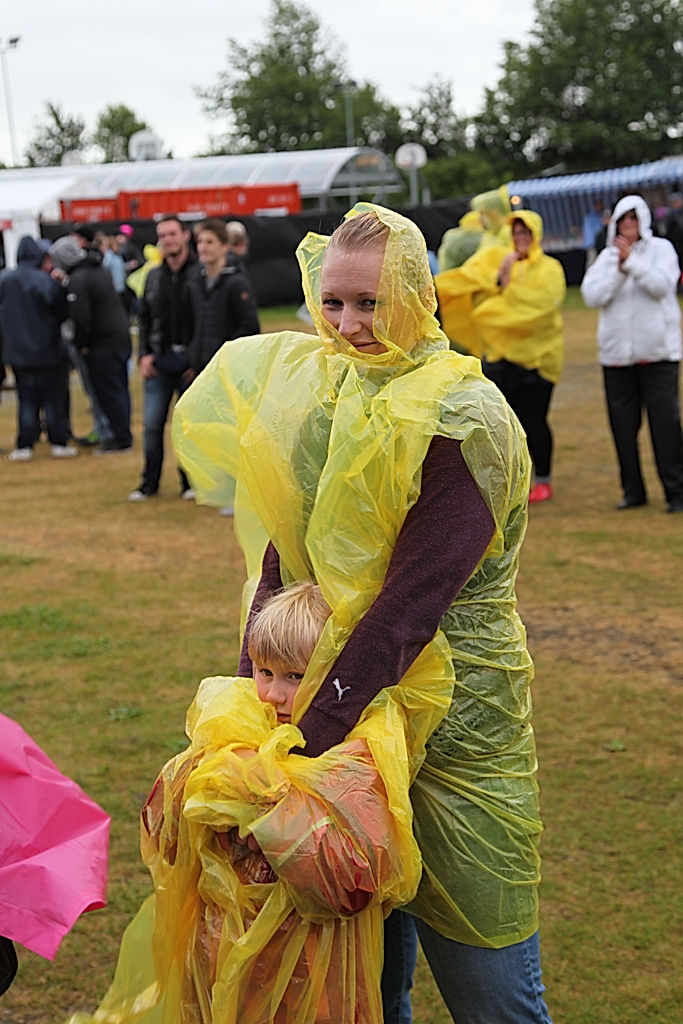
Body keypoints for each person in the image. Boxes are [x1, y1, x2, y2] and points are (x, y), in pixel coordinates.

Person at [173, 203, 553, 1024]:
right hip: (342, 729)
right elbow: (286, 552)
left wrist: (294, 748)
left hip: (453, 734)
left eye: (370, 302)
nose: (347, 325)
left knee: (491, 995)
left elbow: (408, 608)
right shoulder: (328, 396)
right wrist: (256, 708)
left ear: (416, 294)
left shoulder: (466, 417)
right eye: (333, 302)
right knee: (358, 987)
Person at [66, 581, 450, 1023]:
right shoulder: (236, 732)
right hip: (222, 954)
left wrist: (257, 804)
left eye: (295, 676)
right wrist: (210, 792)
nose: (272, 695)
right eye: (264, 672)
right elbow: (163, 832)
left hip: (314, 974)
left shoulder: (357, 761)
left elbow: (349, 883)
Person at [435, 210, 566, 503]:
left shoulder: (550, 268)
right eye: (516, 233)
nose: (521, 239)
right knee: (501, 428)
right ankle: (507, 483)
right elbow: (473, 288)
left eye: (526, 233)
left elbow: (542, 309)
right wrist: (500, 281)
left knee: (534, 422)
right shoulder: (499, 261)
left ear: (536, 235)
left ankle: (542, 479)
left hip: (537, 361)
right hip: (498, 359)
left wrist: (501, 299)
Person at [581, 194, 683, 512]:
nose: (628, 225)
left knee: (665, 426)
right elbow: (591, 295)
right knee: (623, 428)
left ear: (643, 220)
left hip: (658, 354)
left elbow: (663, 286)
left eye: (633, 218)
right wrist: (619, 269)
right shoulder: (607, 259)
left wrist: (633, 264)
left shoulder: (661, 250)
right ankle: (632, 490)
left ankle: (676, 491)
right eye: (623, 219)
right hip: (617, 358)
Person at [128, 215, 199, 502]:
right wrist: (144, 354)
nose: (167, 240)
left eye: (172, 234)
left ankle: (191, 482)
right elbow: (144, 318)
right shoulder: (154, 276)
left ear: (185, 235)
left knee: (189, 427)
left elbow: (206, 322)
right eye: (162, 235)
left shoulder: (200, 273)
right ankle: (149, 484)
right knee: (152, 425)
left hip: (190, 364)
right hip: (159, 361)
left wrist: (199, 360)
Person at [49, 236, 133, 455]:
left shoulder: (80, 278)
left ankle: (119, 437)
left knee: (107, 391)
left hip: (102, 342)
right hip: (119, 336)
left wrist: (82, 344)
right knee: (119, 388)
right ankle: (122, 432)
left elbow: (82, 317)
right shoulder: (98, 270)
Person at [0, 235, 76, 461]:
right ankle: (58, 441)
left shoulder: (5, 281)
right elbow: (61, 312)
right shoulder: (46, 281)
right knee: (52, 398)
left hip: (17, 351)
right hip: (47, 349)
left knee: (26, 398)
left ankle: (25, 443)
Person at [184, 217, 260, 378]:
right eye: (200, 242)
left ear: (224, 246)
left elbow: (250, 326)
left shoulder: (237, 282)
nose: (203, 247)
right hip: (200, 369)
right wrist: (193, 359)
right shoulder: (195, 282)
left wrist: (224, 355)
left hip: (228, 369)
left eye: (210, 242)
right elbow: (191, 324)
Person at [581, 200, 604, 271]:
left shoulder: (590, 216)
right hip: (593, 243)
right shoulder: (594, 217)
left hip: (591, 243)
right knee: (592, 261)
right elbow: (598, 230)